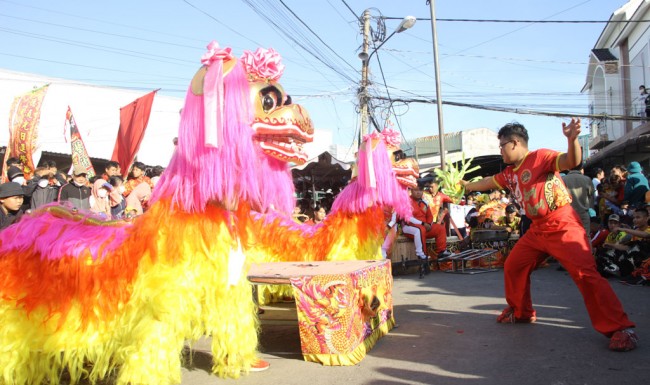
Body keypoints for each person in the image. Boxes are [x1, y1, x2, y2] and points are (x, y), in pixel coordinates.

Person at [461, 118, 638, 352]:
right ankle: (522, 312)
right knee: (514, 265)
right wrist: (468, 185)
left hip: (562, 224)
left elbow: (571, 161)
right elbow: (487, 182)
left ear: (514, 143)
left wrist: (572, 140)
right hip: (537, 229)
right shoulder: (509, 173)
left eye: (501, 145)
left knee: (585, 275)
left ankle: (621, 328)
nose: (500, 151)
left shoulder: (540, 157)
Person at [401, 183, 452, 277]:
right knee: (420, 230)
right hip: (410, 227)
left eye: (420, 190)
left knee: (440, 228)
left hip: (424, 226)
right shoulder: (406, 202)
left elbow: (430, 216)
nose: (418, 192)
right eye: (416, 190)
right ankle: (423, 257)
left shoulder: (424, 202)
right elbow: (408, 218)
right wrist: (423, 224)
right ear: (411, 191)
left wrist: (429, 224)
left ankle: (441, 251)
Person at [562, 163, 594, 235]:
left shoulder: (563, 179)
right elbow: (591, 197)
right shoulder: (587, 179)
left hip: (568, 215)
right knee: (585, 237)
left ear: (568, 168)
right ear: (581, 168)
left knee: (569, 237)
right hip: (583, 213)